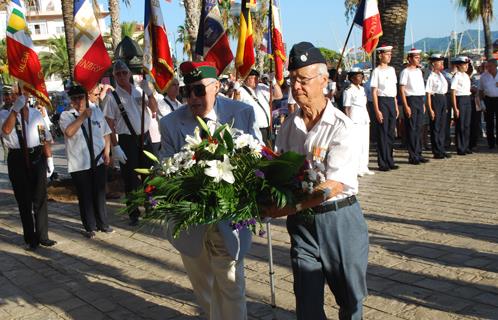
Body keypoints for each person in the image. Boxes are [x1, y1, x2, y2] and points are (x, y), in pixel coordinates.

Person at [265, 42, 369, 320]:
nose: (296, 86)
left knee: (350, 302)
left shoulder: (342, 127)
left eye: (303, 79)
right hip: (302, 226)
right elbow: (278, 172)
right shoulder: (289, 127)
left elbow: (333, 185)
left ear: (324, 79)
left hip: (339, 222)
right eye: (292, 80)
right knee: (307, 305)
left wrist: (288, 208)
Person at [159, 61, 261, 320]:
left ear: (217, 87)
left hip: (231, 218)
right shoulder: (170, 123)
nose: (192, 98)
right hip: (192, 224)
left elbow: (258, 158)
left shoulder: (242, 113)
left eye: (199, 90)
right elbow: (164, 169)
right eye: (187, 91)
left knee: (231, 285)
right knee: (205, 290)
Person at [0, 86, 57, 250]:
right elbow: (6, 130)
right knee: (24, 200)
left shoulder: (36, 114)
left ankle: (43, 236)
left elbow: (43, 137)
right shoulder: (4, 114)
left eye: (19, 95)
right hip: (17, 157)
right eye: (13, 95)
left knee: (40, 197)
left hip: (36, 155)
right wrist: (15, 111)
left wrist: (49, 158)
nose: (16, 98)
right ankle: (30, 237)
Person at [103, 60, 158, 226]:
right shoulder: (111, 98)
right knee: (131, 179)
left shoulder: (139, 91)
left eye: (124, 72)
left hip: (145, 137)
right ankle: (134, 212)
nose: (122, 76)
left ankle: (151, 206)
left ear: (129, 73)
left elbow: (154, 109)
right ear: (114, 77)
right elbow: (109, 124)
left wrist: (149, 94)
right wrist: (116, 147)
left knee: (149, 175)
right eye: (118, 74)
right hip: (127, 141)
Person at [59, 84, 113, 238]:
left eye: (80, 97)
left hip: (97, 160)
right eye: (74, 98)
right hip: (79, 163)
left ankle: (103, 223)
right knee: (86, 196)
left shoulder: (96, 111)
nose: (78, 101)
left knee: (100, 194)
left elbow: (106, 133)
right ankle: (90, 226)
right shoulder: (66, 116)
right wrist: (82, 117)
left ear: (85, 97)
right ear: (71, 100)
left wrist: (107, 152)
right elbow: (69, 132)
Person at [370, 44, 400, 171]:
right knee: (383, 132)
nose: (389, 56)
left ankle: (390, 159)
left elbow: (393, 88)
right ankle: (382, 162)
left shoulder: (392, 70)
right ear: (380, 55)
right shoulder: (376, 71)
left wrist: (396, 105)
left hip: (391, 101)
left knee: (390, 133)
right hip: (382, 101)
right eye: (387, 54)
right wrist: (377, 110)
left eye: (390, 54)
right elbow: (374, 92)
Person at [235, 69, 282, 145]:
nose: (256, 80)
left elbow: (279, 96)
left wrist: (274, 82)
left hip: (268, 128)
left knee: (269, 153)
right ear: (246, 78)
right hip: (253, 129)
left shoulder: (262, 87)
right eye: (253, 78)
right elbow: (235, 105)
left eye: (257, 78)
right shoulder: (240, 90)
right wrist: (235, 91)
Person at [399, 48, 429, 165]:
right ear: (410, 58)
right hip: (410, 99)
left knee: (419, 128)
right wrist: (406, 105)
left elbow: (421, 88)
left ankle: (419, 152)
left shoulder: (419, 71)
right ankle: (412, 155)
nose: (418, 59)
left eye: (419, 57)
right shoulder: (405, 72)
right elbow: (402, 89)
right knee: (412, 128)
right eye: (416, 57)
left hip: (419, 99)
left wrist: (423, 103)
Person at [343, 68, 374, 176]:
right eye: (358, 76)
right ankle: (356, 168)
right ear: (352, 78)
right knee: (356, 145)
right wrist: (348, 122)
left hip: (364, 118)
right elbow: (346, 107)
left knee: (365, 144)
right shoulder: (348, 90)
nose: (360, 78)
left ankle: (364, 166)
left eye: (361, 76)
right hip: (354, 119)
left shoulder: (362, 89)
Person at [425, 54, 451, 159]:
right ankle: (436, 151)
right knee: (435, 126)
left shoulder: (442, 75)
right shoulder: (430, 76)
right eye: (439, 62)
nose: (442, 64)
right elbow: (428, 94)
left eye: (442, 62)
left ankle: (442, 148)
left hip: (443, 99)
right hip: (435, 99)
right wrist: (430, 109)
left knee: (442, 126)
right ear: (433, 64)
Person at [451, 56, 472, 155]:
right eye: (465, 64)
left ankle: (466, 146)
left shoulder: (466, 76)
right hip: (460, 99)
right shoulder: (457, 76)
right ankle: (460, 147)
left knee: (467, 125)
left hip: (467, 99)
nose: (467, 66)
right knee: (461, 125)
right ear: (459, 65)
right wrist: (455, 108)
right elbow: (453, 92)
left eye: (467, 64)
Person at [479, 58, 498, 149]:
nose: (488, 68)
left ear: (495, 66)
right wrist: (482, 102)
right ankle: (491, 142)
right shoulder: (483, 76)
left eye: (490, 66)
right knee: (489, 122)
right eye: (487, 66)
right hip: (488, 100)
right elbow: (481, 90)